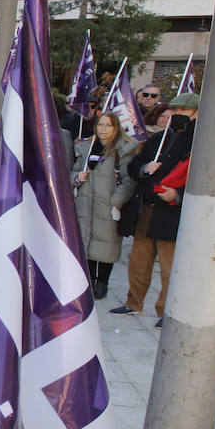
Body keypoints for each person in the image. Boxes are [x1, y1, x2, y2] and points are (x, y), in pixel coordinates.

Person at [111, 93, 197, 324]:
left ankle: (166, 311)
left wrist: (177, 195)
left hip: (171, 214)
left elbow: (202, 178)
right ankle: (133, 302)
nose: (176, 116)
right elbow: (134, 166)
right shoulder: (159, 139)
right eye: (173, 112)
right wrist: (144, 168)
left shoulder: (200, 142)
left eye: (183, 112)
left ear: (196, 113)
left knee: (169, 269)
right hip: (146, 210)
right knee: (139, 262)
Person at [73, 112, 138, 300]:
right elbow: (73, 171)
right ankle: (89, 280)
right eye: (100, 125)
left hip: (107, 204)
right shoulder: (86, 147)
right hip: (86, 204)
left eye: (108, 125)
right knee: (89, 243)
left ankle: (102, 282)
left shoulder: (123, 149)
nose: (103, 129)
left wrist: (116, 201)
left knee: (106, 246)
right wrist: (77, 178)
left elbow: (128, 180)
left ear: (115, 127)